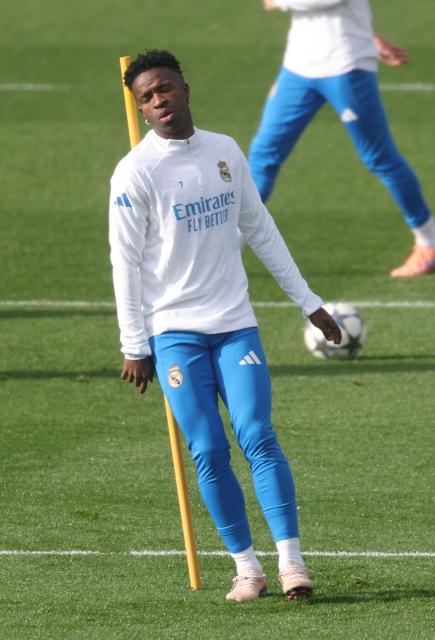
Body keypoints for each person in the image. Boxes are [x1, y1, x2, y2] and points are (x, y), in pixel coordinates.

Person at [109, 49, 341, 602]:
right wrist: (134, 344)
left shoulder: (225, 152)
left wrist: (309, 302)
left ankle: (292, 565)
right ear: (141, 109)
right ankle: (247, 568)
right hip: (172, 334)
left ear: (186, 89)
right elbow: (124, 261)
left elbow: (259, 228)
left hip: (235, 323)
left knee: (257, 434)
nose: (159, 100)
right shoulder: (135, 173)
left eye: (165, 88)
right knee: (209, 449)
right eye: (147, 96)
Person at [249, 0, 435, 278]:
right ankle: (221, 249)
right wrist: (369, 35)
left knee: (379, 157)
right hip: (298, 67)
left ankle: (428, 242)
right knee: (263, 155)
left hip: (346, 66)